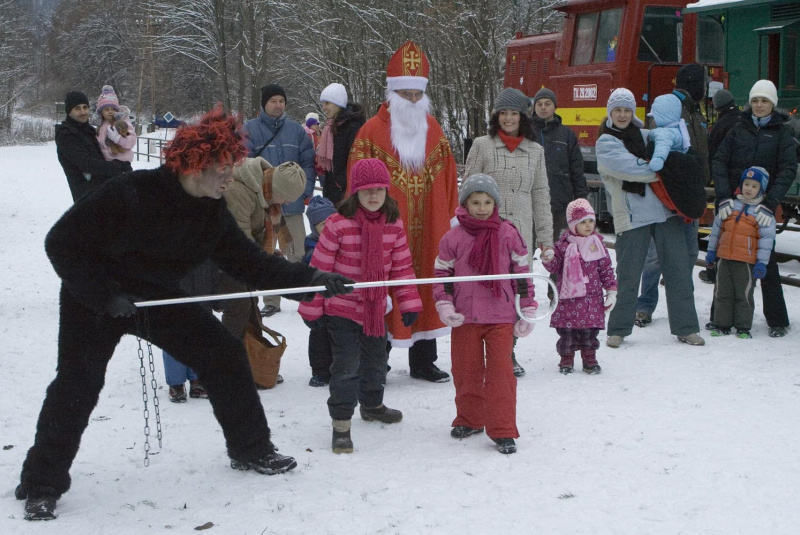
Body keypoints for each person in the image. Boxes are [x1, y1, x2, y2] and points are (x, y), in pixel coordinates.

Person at [15, 107, 354, 521]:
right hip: (95, 297)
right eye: (225, 169)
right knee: (77, 383)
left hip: (157, 297)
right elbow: (60, 242)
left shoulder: (211, 214)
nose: (231, 177)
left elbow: (251, 264)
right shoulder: (130, 193)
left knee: (223, 354)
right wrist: (104, 296)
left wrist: (313, 278)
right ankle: (42, 482)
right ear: (196, 166)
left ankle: (251, 448)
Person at [348, 40, 459, 383]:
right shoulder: (369, 132)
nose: (412, 101)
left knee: (426, 283)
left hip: (429, 226)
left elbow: (451, 177)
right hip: (383, 227)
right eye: (405, 94)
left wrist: (452, 216)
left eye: (416, 95)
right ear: (393, 94)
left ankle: (423, 361)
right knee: (380, 286)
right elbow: (356, 180)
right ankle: (376, 359)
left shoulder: (435, 130)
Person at [298, 159, 422, 454]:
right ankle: (341, 424)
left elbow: (402, 267)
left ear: (387, 192)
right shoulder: (338, 225)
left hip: (376, 310)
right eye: (367, 190)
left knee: (377, 363)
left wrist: (408, 301)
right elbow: (319, 268)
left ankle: (372, 405)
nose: (374, 196)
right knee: (347, 368)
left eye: (379, 189)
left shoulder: (394, 224)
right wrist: (312, 309)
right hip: (341, 310)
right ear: (355, 193)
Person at [433, 173, 536, 455]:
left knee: (501, 373)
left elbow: (522, 273)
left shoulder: (508, 233)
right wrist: (445, 305)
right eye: (475, 202)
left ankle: (502, 429)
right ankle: (470, 419)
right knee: (466, 369)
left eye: (487, 202)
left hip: (501, 316)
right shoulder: (453, 237)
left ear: (495, 204)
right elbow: (442, 274)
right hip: (465, 317)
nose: (481, 207)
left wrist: (526, 308)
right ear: (465, 204)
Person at [596, 88, 703, 348]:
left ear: (634, 112)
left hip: (666, 212)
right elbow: (630, 169)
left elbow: (676, 145)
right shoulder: (606, 142)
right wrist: (668, 169)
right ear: (610, 112)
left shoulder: (647, 135)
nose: (622, 115)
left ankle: (686, 327)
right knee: (629, 275)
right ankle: (619, 329)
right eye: (617, 110)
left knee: (678, 271)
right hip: (632, 217)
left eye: (627, 110)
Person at [462, 87, 554, 377]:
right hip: (486, 233)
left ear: (523, 116)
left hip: (521, 234)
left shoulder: (535, 151)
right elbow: (466, 190)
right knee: (486, 291)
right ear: (496, 116)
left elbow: (541, 194)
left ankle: (507, 352)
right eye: (504, 113)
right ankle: (479, 352)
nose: (509, 118)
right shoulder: (482, 146)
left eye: (514, 113)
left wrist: (546, 237)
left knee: (517, 293)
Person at [712, 79, 798, 337]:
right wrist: (725, 196)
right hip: (734, 205)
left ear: (773, 104)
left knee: (766, 260)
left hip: (762, 209)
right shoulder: (738, 128)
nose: (759, 105)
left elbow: (787, 170)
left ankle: (777, 321)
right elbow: (719, 160)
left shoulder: (781, 133)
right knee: (726, 258)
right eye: (756, 101)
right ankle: (720, 317)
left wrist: (770, 203)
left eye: (765, 101)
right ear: (750, 103)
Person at [634, 64, 709, 327]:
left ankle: (680, 303)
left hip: (691, 190)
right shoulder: (666, 108)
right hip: (667, 194)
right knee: (655, 256)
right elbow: (657, 147)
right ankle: (644, 305)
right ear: (694, 84)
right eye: (703, 82)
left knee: (690, 252)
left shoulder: (695, 110)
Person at [242, 83, 316, 318]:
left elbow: (308, 162)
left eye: (281, 101)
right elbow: (242, 162)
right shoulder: (249, 130)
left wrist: (303, 190)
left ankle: (303, 294)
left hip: (291, 203)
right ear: (264, 104)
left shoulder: (296, 130)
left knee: (297, 248)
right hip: (262, 203)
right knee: (267, 250)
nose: (278, 105)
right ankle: (271, 299)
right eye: (273, 101)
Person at [218, 157, 306, 340]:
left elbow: (254, 234)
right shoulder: (238, 192)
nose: (287, 204)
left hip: (237, 258)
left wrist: (268, 254)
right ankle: (226, 357)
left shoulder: (264, 193)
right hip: (217, 260)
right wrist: (264, 260)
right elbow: (238, 241)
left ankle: (247, 357)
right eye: (287, 198)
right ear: (277, 189)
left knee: (249, 304)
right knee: (239, 306)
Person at [542, 199, 617, 374]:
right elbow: (554, 267)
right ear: (573, 224)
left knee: (590, 333)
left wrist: (611, 290)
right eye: (582, 222)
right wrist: (549, 258)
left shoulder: (597, 244)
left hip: (592, 299)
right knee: (567, 333)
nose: (588, 225)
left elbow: (605, 268)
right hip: (570, 300)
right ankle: (566, 360)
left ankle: (589, 358)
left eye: (591, 221)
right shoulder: (563, 246)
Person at [705, 167, 776, 338]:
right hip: (724, 258)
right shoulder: (730, 206)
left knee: (744, 294)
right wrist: (711, 251)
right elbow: (717, 230)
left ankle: (743, 326)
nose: (749, 188)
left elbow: (766, 242)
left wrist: (761, 263)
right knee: (722, 292)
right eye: (746, 184)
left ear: (761, 189)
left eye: (754, 186)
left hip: (746, 261)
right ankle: (722, 323)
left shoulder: (762, 213)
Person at [530, 87, 587, 243]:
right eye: (539, 103)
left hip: (560, 203)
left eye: (547, 103)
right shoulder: (525, 132)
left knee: (559, 250)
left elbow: (576, 170)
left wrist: (581, 199)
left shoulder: (567, 134)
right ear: (534, 107)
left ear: (555, 107)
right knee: (526, 250)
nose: (543, 107)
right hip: (530, 202)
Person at [55, 91, 132, 202]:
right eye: (77, 108)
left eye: (85, 107)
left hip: (105, 193)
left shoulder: (90, 130)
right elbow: (87, 164)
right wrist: (119, 167)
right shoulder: (66, 135)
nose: (83, 112)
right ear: (69, 111)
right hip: (87, 200)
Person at [699, 88, 742, 285]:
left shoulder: (721, 125)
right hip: (746, 188)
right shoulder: (743, 120)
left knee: (721, 230)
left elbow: (713, 154)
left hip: (725, 187)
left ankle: (714, 272)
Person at [303, 195, 338, 387]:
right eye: (321, 224)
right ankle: (320, 370)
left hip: (339, 300)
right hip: (318, 300)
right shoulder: (311, 246)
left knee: (342, 335)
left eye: (330, 222)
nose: (326, 227)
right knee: (319, 336)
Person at [317, 82, 366, 206]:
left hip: (345, 191)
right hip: (332, 189)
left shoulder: (352, 126)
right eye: (323, 103)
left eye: (327, 103)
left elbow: (356, 158)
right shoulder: (331, 126)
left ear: (338, 104)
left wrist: (341, 182)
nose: (323, 107)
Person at [645, 93, 691, 172]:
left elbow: (662, 147)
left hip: (665, 168)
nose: (650, 121)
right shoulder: (679, 130)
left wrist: (657, 160)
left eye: (653, 118)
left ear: (661, 119)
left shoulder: (664, 133)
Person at [93, 85, 136, 163]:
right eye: (106, 109)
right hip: (106, 163)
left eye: (113, 109)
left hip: (121, 161)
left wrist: (118, 138)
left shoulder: (123, 122)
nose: (110, 111)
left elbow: (132, 141)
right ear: (101, 112)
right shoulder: (100, 126)